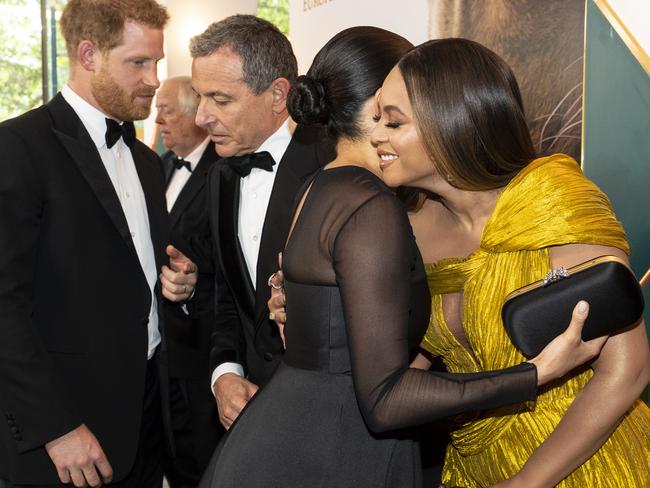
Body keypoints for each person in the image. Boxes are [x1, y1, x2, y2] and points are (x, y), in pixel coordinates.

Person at [198, 27, 605, 488]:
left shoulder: (337, 189)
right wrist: (534, 374)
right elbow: (383, 389)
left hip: (335, 439)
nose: (391, 133)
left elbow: (375, 350)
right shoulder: (372, 205)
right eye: (389, 117)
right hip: (337, 449)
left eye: (401, 118)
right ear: (372, 110)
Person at [371, 38, 650, 487]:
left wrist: (525, 483)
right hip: (475, 467)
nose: (376, 135)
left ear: (450, 121)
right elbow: (412, 361)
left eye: (393, 121)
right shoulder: (410, 225)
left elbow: (627, 370)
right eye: (376, 118)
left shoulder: (551, 199)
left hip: (583, 463)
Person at [0, 1, 197, 486]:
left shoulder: (147, 161)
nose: (153, 79)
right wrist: (57, 426)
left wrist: (179, 282)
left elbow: (133, 277)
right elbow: (4, 304)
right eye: (138, 63)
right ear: (88, 55)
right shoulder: (19, 148)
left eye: (157, 63)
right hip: (66, 433)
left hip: (150, 423)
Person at [185, 14, 335, 431]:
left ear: (277, 95)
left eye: (220, 99)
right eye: (200, 97)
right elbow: (228, 298)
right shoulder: (221, 175)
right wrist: (225, 374)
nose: (201, 116)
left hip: (326, 416)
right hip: (249, 413)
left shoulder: (332, 167)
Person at [154, 76, 222, 487]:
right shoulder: (157, 165)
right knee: (170, 447)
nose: (156, 117)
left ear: (195, 114)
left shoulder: (223, 168)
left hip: (203, 336)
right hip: (159, 340)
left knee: (205, 451)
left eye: (166, 109)